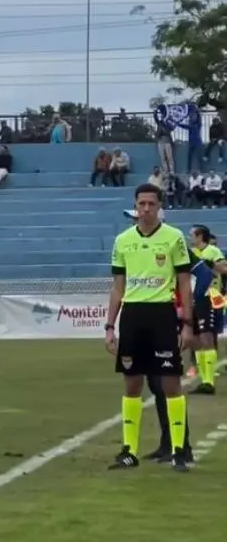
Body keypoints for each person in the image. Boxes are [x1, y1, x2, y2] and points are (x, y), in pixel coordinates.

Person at [105, 183, 194, 471]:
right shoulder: (123, 240)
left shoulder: (174, 237)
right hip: (132, 316)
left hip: (162, 315)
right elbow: (117, 287)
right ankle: (129, 451)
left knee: (170, 383)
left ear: (159, 206)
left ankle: (179, 450)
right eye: (141, 204)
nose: (145, 209)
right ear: (135, 205)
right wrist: (110, 326)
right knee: (132, 383)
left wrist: (187, 324)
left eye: (151, 204)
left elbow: (184, 284)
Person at [188, 225, 227, 395]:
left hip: (209, 297)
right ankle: (204, 380)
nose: (190, 238)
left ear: (200, 236)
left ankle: (209, 381)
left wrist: (209, 264)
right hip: (194, 299)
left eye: (192, 235)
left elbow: (224, 269)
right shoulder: (191, 252)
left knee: (207, 337)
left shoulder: (213, 251)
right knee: (196, 339)